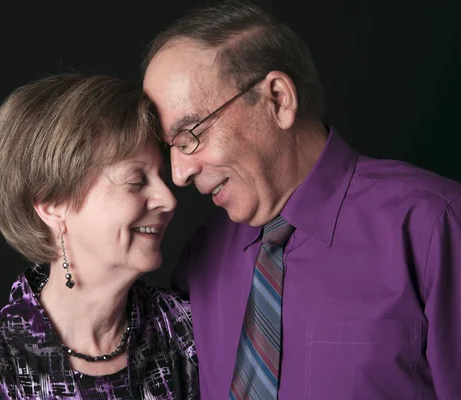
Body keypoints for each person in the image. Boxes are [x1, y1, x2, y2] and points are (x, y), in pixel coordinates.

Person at [142, 1, 461, 399]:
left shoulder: (434, 226)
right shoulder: (200, 259)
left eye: (190, 135)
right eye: (170, 147)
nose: (178, 174)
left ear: (277, 99)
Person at [0, 73, 199, 399]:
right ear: (52, 205)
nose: (168, 199)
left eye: (160, 176)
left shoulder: (189, 330)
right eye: (136, 181)